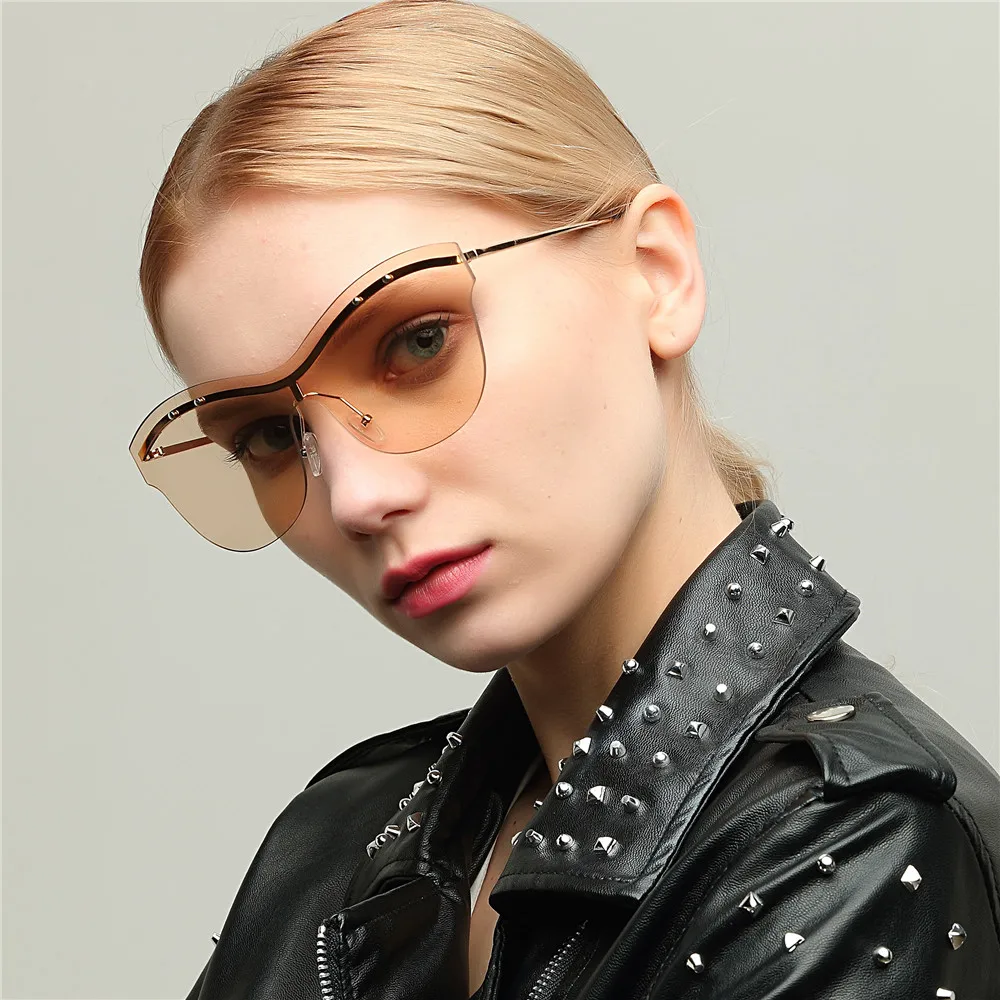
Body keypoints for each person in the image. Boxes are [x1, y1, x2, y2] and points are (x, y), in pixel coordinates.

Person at [128, 2, 1000, 997]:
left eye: (418, 343)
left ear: (657, 275)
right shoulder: (335, 846)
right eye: (270, 436)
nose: (359, 496)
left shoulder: (855, 842)